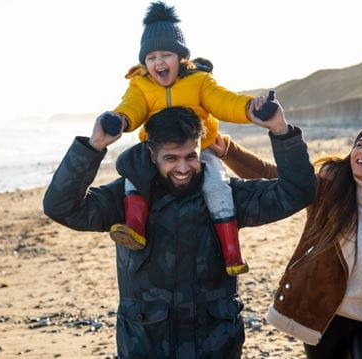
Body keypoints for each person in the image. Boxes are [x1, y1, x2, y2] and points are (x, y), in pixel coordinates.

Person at [43, 104, 317, 357]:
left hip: (215, 343)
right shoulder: (123, 198)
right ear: (152, 154)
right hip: (146, 343)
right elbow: (61, 207)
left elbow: (297, 192)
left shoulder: (227, 195)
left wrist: (281, 132)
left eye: (191, 157)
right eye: (171, 158)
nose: (183, 168)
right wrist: (93, 147)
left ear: (200, 148)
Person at [222, 124, 362, 358]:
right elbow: (277, 178)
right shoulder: (328, 191)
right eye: (360, 145)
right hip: (322, 315)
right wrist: (227, 150)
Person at [101, 1, 272, 276]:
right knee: (134, 171)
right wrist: (119, 120)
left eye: (166, 54)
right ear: (144, 62)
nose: (158, 62)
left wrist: (250, 108)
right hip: (157, 151)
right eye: (151, 57)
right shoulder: (140, 85)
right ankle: (134, 227)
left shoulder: (199, 81)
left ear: (180, 57)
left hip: (199, 149)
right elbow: (130, 107)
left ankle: (232, 252)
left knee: (218, 186)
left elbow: (224, 101)